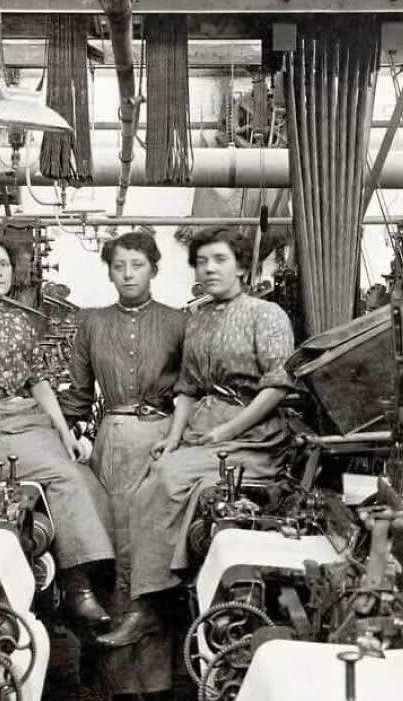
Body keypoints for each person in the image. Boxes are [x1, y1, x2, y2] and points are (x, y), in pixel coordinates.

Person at [96, 227, 296, 648]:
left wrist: (229, 429)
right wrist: (173, 436)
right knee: (156, 474)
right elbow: (187, 388)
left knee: (165, 483)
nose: (209, 268)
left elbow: (277, 386)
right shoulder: (199, 318)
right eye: (202, 262)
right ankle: (161, 598)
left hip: (252, 434)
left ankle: (150, 606)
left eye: (219, 259)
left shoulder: (266, 314)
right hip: (203, 426)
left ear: (242, 266)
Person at [0, 235, 115, 630]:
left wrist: (65, 433)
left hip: (29, 421)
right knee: (64, 478)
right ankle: (77, 590)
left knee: (88, 477)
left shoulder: (20, 323)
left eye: (3, 265)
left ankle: (83, 584)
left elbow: (39, 382)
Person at [59, 231, 186, 701]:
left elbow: (190, 391)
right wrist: (66, 436)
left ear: (154, 267)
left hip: (162, 443)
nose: (128, 273)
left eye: (137, 264)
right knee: (114, 556)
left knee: (155, 558)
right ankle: (121, 690)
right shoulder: (90, 323)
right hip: (111, 440)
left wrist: (179, 441)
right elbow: (75, 393)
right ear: (108, 271)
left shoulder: (179, 322)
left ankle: (159, 684)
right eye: (119, 266)